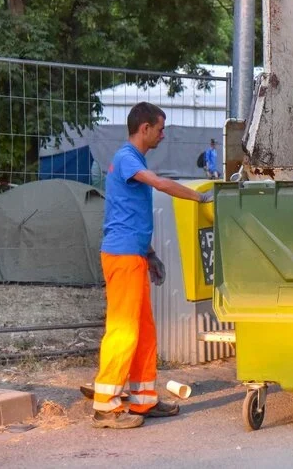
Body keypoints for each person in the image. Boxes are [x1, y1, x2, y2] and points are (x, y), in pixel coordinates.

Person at [92, 102, 213, 429]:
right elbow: (159, 184)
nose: (164, 133)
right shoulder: (127, 158)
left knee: (143, 331)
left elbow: (130, 214)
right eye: (160, 128)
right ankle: (105, 405)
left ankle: (143, 400)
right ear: (143, 128)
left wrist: (151, 255)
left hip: (132, 254)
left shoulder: (131, 159)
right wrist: (200, 197)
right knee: (124, 329)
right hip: (122, 256)